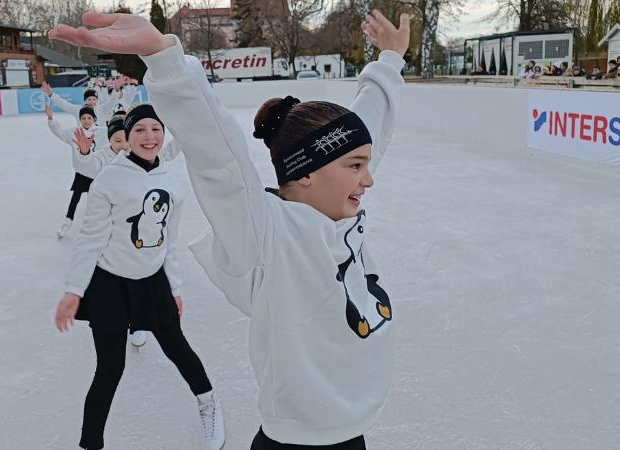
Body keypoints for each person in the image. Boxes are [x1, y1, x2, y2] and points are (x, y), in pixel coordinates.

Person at [50, 8, 409, 450]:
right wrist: (162, 56)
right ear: (309, 172)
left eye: (366, 164)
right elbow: (219, 160)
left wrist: (389, 60)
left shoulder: (341, 210)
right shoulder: (268, 234)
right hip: (297, 443)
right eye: (356, 166)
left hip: (352, 434)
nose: (368, 179)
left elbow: (367, 124)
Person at [54, 104, 226, 450]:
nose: (149, 136)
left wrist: (174, 287)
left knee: (177, 347)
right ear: (127, 137)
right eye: (140, 130)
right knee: (110, 368)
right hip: (109, 284)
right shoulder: (109, 180)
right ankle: (90, 443)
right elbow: (90, 239)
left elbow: (168, 242)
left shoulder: (171, 182)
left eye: (155, 129)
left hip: (152, 281)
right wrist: (74, 290)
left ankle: (208, 403)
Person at [45, 103, 108, 238]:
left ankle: (98, 226)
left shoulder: (101, 132)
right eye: (83, 118)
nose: (86, 120)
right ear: (80, 119)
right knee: (75, 198)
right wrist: (51, 120)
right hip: (82, 172)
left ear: (94, 119)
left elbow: (116, 134)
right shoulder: (74, 132)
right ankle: (68, 221)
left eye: (89, 118)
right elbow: (60, 133)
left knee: (97, 200)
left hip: (97, 174)